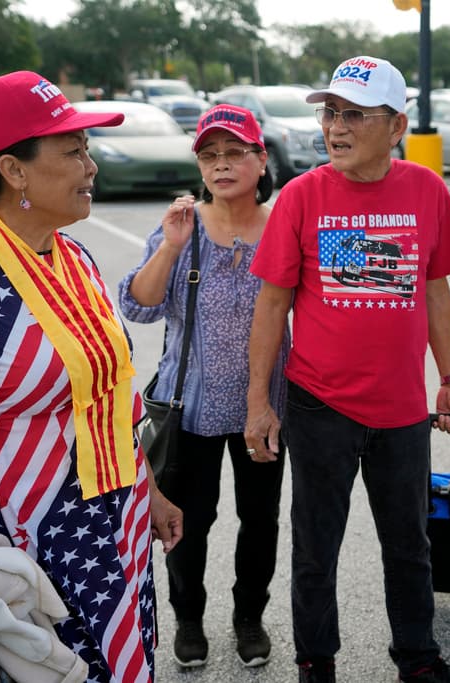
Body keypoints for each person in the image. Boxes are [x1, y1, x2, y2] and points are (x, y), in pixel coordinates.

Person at [0, 71, 183, 681]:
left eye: (86, 149)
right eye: (73, 151)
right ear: (14, 171)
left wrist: (150, 491)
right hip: (29, 554)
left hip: (118, 529)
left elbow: (108, 397)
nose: (91, 165)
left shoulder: (74, 257)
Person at [244, 56, 450, 683]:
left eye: (352, 115)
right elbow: (272, 304)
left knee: (410, 546)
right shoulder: (301, 196)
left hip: (401, 410)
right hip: (319, 404)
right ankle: (316, 659)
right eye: (329, 112)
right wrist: (257, 402)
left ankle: (417, 657)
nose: (334, 128)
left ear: (396, 126)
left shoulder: (427, 191)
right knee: (316, 550)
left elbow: (435, 291)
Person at [117, 104, 289, 669]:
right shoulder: (183, 228)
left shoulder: (287, 225)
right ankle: (188, 617)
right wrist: (169, 245)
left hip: (264, 407)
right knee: (188, 522)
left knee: (260, 519)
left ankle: (249, 617)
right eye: (209, 155)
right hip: (188, 407)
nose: (221, 164)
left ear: (261, 161)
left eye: (235, 152)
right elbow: (138, 307)